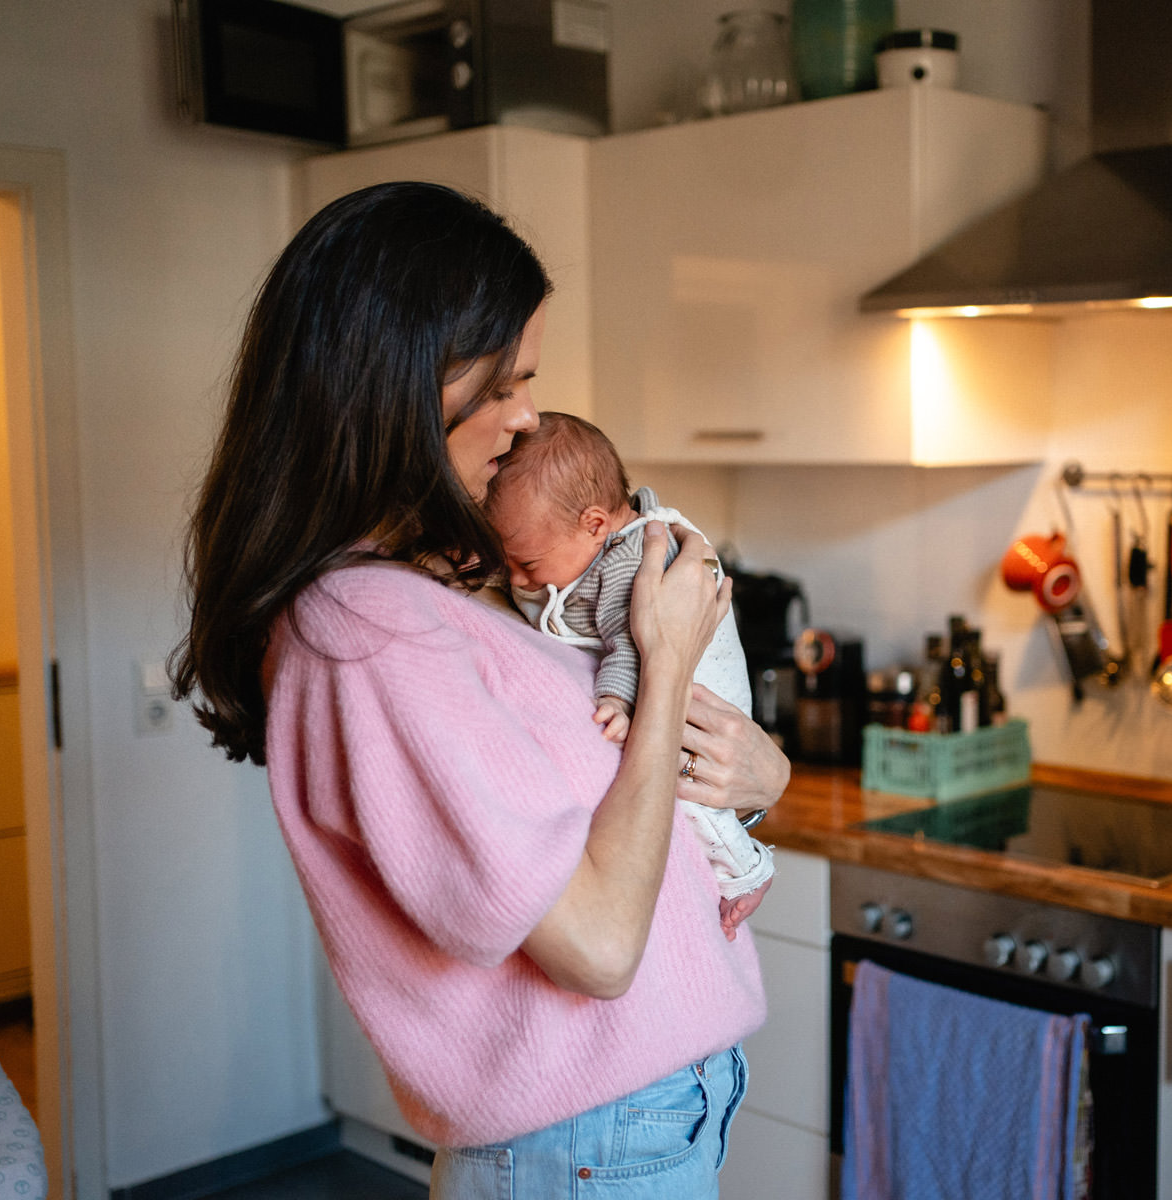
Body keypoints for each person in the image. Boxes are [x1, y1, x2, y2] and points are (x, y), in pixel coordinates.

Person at [170, 180, 790, 1198]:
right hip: (585, 1137)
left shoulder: (451, 580)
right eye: (501, 383)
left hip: (643, 1113)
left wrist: (757, 778)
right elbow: (597, 948)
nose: (527, 415)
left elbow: (605, 791)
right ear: (391, 381)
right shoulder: (369, 630)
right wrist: (668, 661)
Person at [483, 411, 775, 933]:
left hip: (705, 704)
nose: (518, 578)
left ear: (595, 524)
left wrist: (617, 701)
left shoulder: (630, 563)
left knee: (691, 798)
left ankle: (746, 870)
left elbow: (633, 643)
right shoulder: (578, 547)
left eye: (527, 564)